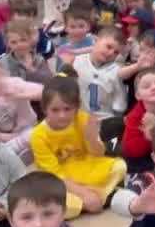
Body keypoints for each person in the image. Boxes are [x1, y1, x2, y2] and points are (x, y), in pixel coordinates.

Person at [30, 70, 127, 217]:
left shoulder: (83, 119)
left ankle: (95, 197)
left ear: (77, 107)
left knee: (120, 167)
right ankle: (101, 195)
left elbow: (97, 154)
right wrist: (84, 193)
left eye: (67, 109)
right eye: (55, 110)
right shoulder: (38, 135)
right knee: (61, 205)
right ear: (44, 109)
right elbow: (55, 175)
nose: (62, 115)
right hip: (61, 178)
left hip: (86, 166)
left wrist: (92, 138)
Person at [69, 26, 144, 146]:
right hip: (78, 117)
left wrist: (115, 122)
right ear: (95, 40)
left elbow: (119, 103)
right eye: (108, 47)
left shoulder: (116, 72)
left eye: (116, 52)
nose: (110, 53)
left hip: (103, 120)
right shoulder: (77, 62)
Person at [0, 18, 53, 85]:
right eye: (13, 42)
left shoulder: (38, 59)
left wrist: (31, 69)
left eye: (23, 40)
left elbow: (49, 79)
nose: (19, 45)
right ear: (7, 44)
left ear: (31, 40)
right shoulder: (3, 62)